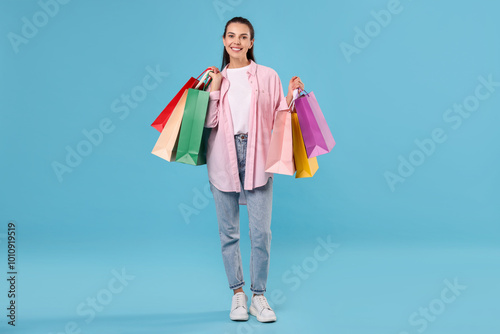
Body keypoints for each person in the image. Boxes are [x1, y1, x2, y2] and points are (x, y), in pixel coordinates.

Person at [204, 16, 304, 323]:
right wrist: (216, 88)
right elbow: (208, 123)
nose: (236, 41)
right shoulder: (215, 78)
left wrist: (290, 95)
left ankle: (259, 296)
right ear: (224, 41)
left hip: (259, 155)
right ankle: (237, 294)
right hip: (223, 154)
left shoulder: (268, 76)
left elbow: (278, 117)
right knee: (228, 233)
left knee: (261, 232)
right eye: (231, 36)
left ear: (251, 42)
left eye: (243, 36)